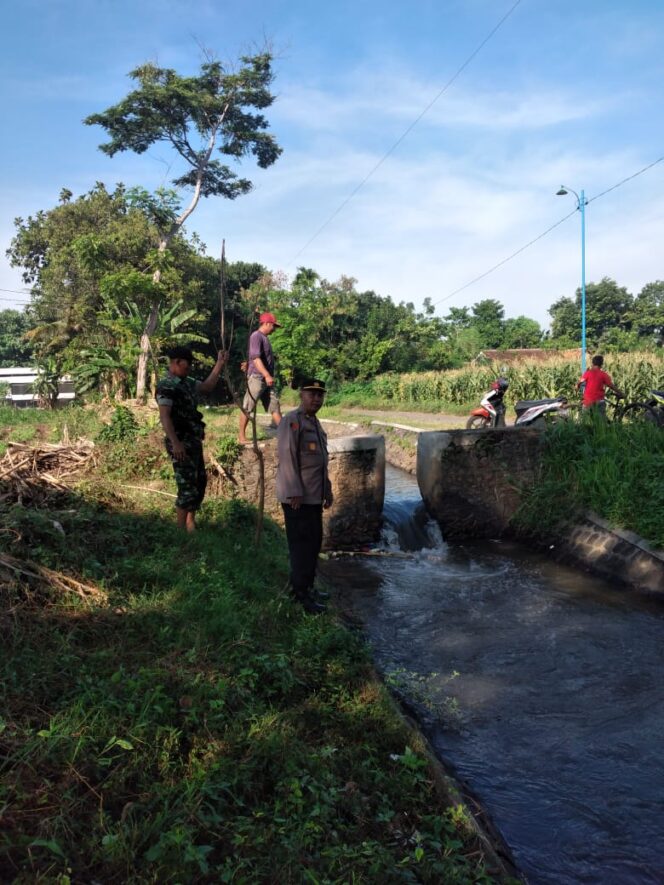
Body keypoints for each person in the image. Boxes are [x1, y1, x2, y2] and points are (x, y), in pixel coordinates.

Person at [276, 379, 333, 614]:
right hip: (298, 499)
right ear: (301, 395)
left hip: (313, 497)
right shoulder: (293, 421)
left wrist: (327, 490)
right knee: (300, 547)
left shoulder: (315, 423)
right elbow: (287, 458)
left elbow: (321, 463)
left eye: (320, 395)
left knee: (313, 544)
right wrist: (294, 492)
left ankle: (308, 586)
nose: (316, 399)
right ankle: (300, 595)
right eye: (312, 394)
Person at [156, 346, 228, 532]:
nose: (189, 370)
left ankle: (190, 523)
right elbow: (165, 417)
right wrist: (176, 443)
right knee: (187, 486)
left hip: (193, 440)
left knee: (199, 482)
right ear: (177, 362)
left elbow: (207, 386)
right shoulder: (167, 385)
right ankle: (181, 531)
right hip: (179, 442)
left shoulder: (186, 381)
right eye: (186, 366)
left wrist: (220, 363)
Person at [239, 312, 282, 444]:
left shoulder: (264, 338)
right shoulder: (256, 336)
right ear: (267, 323)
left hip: (265, 379)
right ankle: (241, 437)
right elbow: (256, 358)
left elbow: (255, 357)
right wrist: (267, 375)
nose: (274, 329)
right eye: (273, 326)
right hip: (258, 377)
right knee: (248, 406)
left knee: (274, 406)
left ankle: (286, 435)